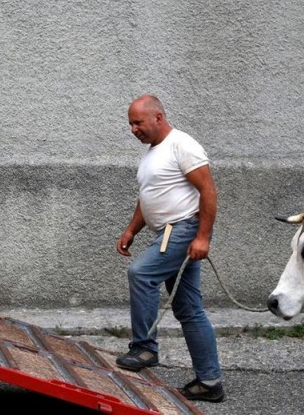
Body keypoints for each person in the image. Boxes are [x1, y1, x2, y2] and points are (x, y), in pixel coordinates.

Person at [114, 94, 224, 403]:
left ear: (158, 118)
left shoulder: (182, 145)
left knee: (141, 274)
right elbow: (149, 195)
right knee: (189, 309)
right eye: (130, 124)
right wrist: (132, 229)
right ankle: (210, 381)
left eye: (138, 122)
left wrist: (203, 237)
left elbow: (208, 191)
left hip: (182, 229)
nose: (133, 129)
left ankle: (145, 348)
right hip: (165, 232)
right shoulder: (153, 153)